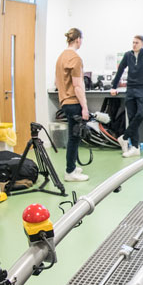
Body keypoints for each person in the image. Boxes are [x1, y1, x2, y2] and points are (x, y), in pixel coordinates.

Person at [55, 28, 91, 182]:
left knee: (73, 137)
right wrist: (85, 107)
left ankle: (73, 166)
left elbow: (58, 82)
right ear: (78, 40)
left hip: (64, 101)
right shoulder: (75, 59)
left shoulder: (61, 57)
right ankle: (70, 171)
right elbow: (77, 85)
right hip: (74, 102)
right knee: (74, 138)